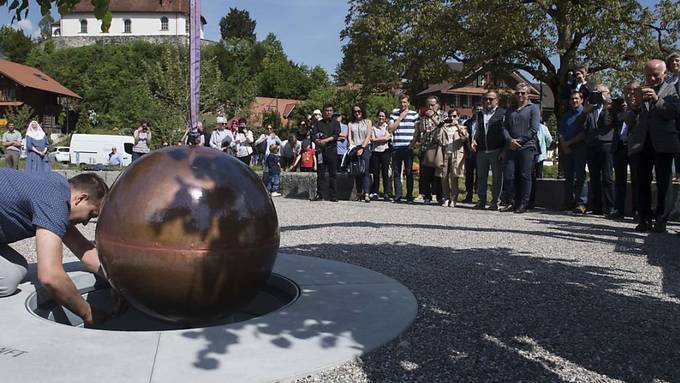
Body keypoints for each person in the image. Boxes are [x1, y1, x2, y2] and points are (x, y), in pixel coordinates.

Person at [0, 170, 116, 326]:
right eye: (91, 214)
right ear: (81, 198)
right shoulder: (54, 201)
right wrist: (88, 313)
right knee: (8, 278)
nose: (86, 223)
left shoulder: (56, 187)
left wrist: (117, 285)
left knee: (15, 268)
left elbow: (84, 249)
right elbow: (50, 277)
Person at [625, 59, 680, 233]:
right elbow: (629, 121)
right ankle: (644, 218)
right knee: (641, 182)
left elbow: (673, 113)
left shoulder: (673, 90)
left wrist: (657, 100)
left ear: (664, 74)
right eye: (647, 75)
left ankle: (661, 220)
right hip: (641, 143)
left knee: (664, 183)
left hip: (664, 142)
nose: (651, 78)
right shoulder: (639, 91)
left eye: (655, 75)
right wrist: (633, 108)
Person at [501, 82, 540, 214]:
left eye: (523, 93)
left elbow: (534, 128)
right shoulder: (510, 109)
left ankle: (524, 203)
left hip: (527, 147)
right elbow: (505, 127)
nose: (520, 95)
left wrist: (521, 140)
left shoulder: (533, 108)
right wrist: (509, 140)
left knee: (525, 175)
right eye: (518, 92)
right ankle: (511, 202)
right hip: (511, 147)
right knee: (509, 175)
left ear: (528, 94)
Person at [585, 84, 617, 216]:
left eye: (600, 92)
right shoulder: (592, 109)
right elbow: (586, 125)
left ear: (608, 92)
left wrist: (606, 103)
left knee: (607, 177)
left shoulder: (613, 107)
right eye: (595, 92)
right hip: (592, 144)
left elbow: (609, 122)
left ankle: (610, 206)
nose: (597, 95)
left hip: (606, 144)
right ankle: (596, 206)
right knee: (594, 177)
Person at [472, 91, 506, 210]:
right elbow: (477, 130)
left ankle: (495, 201)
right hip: (481, 150)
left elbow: (505, 132)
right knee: (481, 177)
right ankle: (481, 200)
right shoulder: (480, 114)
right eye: (486, 99)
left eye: (491, 99)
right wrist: (473, 140)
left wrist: (504, 150)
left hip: (496, 149)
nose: (488, 101)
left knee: (497, 177)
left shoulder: (502, 113)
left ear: (497, 100)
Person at [610, 81, 639, 219]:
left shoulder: (640, 107)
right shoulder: (618, 109)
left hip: (634, 146)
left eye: (632, 91)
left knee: (636, 179)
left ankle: (637, 209)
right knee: (619, 179)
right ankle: (619, 209)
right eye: (627, 92)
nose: (629, 95)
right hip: (620, 146)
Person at [560, 90, 589, 214]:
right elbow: (561, 132)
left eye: (577, 98)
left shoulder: (585, 113)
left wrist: (568, 143)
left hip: (580, 148)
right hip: (567, 149)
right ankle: (568, 202)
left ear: (581, 100)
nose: (574, 101)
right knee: (569, 177)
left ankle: (581, 203)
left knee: (581, 176)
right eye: (572, 99)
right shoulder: (566, 115)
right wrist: (564, 145)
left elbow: (584, 133)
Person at [413, 96, 445, 204]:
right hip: (426, 147)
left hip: (438, 148)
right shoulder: (423, 116)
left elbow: (442, 127)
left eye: (432, 105)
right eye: (428, 105)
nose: (430, 107)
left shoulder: (443, 115)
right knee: (425, 174)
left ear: (438, 105)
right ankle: (427, 195)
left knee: (438, 174)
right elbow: (421, 130)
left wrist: (433, 118)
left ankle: (440, 196)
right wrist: (422, 119)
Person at [388, 94, 420, 203]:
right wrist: (400, 118)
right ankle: (398, 195)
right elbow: (390, 129)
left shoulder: (414, 115)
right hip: (396, 147)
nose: (403, 104)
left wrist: (412, 144)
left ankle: (409, 196)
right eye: (401, 102)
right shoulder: (394, 113)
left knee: (409, 172)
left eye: (405, 102)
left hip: (408, 147)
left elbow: (417, 131)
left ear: (408, 103)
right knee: (396, 172)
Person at [310, 104, 341, 201]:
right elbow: (312, 135)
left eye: (330, 110)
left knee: (333, 174)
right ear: (323, 112)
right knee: (320, 174)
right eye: (327, 110)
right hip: (320, 151)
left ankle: (333, 195)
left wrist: (325, 140)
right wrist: (317, 141)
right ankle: (320, 194)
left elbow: (336, 135)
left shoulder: (336, 123)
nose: (329, 112)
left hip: (331, 150)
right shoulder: (318, 124)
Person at [441, 109, 468, 207]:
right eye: (450, 116)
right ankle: (446, 198)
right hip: (445, 154)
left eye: (454, 116)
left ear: (458, 117)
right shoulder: (444, 127)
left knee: (454, 177)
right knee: (443, 177)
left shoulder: (462, 127)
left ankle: (454, 198)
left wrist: (457, 125)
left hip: (456, 154)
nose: (452, 118)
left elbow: (464, 138)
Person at [348, 105, 373, 202]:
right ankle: (359, 192)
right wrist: (352, 146)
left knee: (365, 170)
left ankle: (366, 193)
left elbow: (368, 136)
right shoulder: (351, 123)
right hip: (355, 147)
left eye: (359, 111)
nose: (357, 113)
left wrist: (362, 147)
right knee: (357, 171)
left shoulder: (367, 122)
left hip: (365, 146)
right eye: (355, 112)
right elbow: (350, 136)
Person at [529, 120, 553, 209]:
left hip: (533, 156)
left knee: (530, 177)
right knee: (538, 178)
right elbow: (549, 140)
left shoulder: (531, 127)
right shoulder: (543, 128)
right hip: (540, 156)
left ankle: (531, 199)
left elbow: (549, 140)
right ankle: (536, 199)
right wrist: (545, 147)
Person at [370, 110, 392, 201]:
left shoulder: (388, 127)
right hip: (375, 152)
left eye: (383, 116)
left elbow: (387, 138)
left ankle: (386, 192)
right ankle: (376, 192)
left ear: (385, 118)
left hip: (385, 151)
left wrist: (377, 139)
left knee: (385, 173)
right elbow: (371, 139)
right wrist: (382, 139)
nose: (381, 118)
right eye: (379, 116)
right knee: (376, 173)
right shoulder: (373, 127)